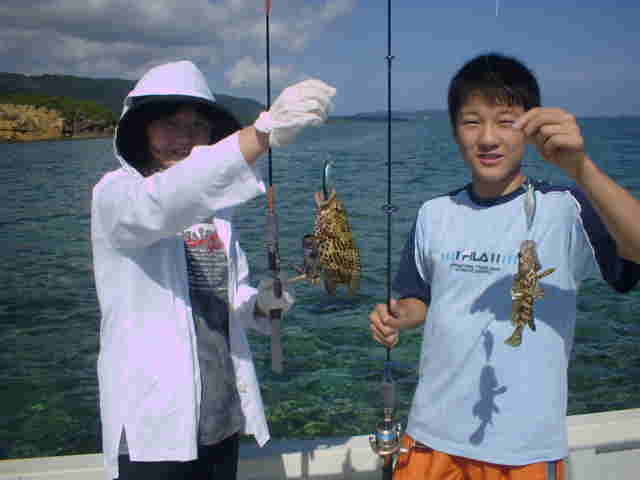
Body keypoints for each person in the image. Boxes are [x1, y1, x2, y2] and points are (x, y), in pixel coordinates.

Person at [369, 53, 640, 480]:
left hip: (524, 448)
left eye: (506, 121)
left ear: (531, 127)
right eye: (472, 121)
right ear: (454, 130)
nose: (488, 138)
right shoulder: (433, 213)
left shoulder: (567, 208)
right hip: (429, 436)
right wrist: (398, 315)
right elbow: (420, 297)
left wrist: (581, 168)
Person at [91, 60, 335, 480]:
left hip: (221, 419)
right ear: (143, 130)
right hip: (153, 427)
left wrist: (261, 305)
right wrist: (263, 133)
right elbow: (165, 200)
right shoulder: (116, 195)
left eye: (197, 126)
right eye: (169, 124)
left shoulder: (218, 214)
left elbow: (230, 297)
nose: (184, 137)